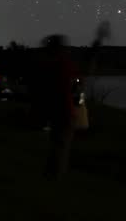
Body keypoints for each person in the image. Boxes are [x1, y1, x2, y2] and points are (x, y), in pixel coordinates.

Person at [38, 35, 79, 180]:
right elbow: (73, 85)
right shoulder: (64, 64)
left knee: (55, 144)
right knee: (61, 146)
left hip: (54, 110)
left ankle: (49, 174)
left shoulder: (46, 65)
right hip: (65, 110)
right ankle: (54, 177)